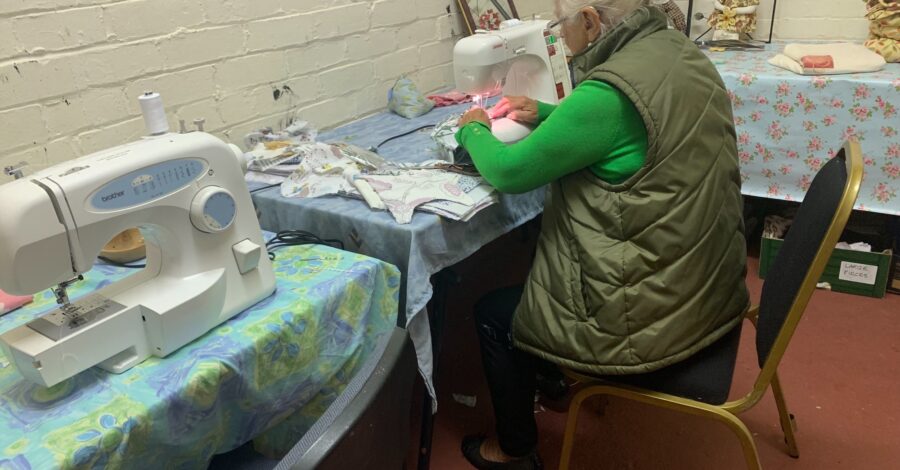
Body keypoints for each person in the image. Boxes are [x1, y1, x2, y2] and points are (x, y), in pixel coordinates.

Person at [454, 1, 750, 468]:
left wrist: (473, 131)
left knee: (494, 313)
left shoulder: (605, 94)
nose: (559, 35)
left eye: (561, 24)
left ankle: (512, 450)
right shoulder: (676, 50)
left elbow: (508, 172)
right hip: (705, 285)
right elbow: (631, 130)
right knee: (543, 267)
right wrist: (553, 115)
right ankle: (550, 379)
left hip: (648, 320)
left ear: (590, 21)